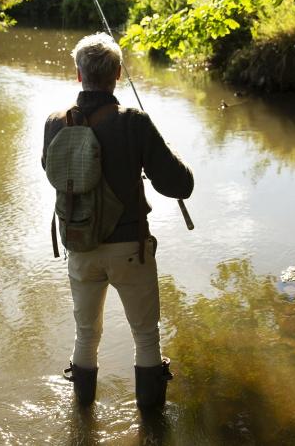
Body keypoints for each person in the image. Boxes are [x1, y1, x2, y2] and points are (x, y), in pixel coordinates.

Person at [42, 32, 194, 409]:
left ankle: (82, 418)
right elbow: (180, 184)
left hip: (79, 246)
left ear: (79, 75)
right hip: (130, 250)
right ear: (118, 75)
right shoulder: (134, 122)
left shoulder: (54, 123)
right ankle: (152, 425)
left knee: (86, 334)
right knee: (145, 338)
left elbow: (50, 169)